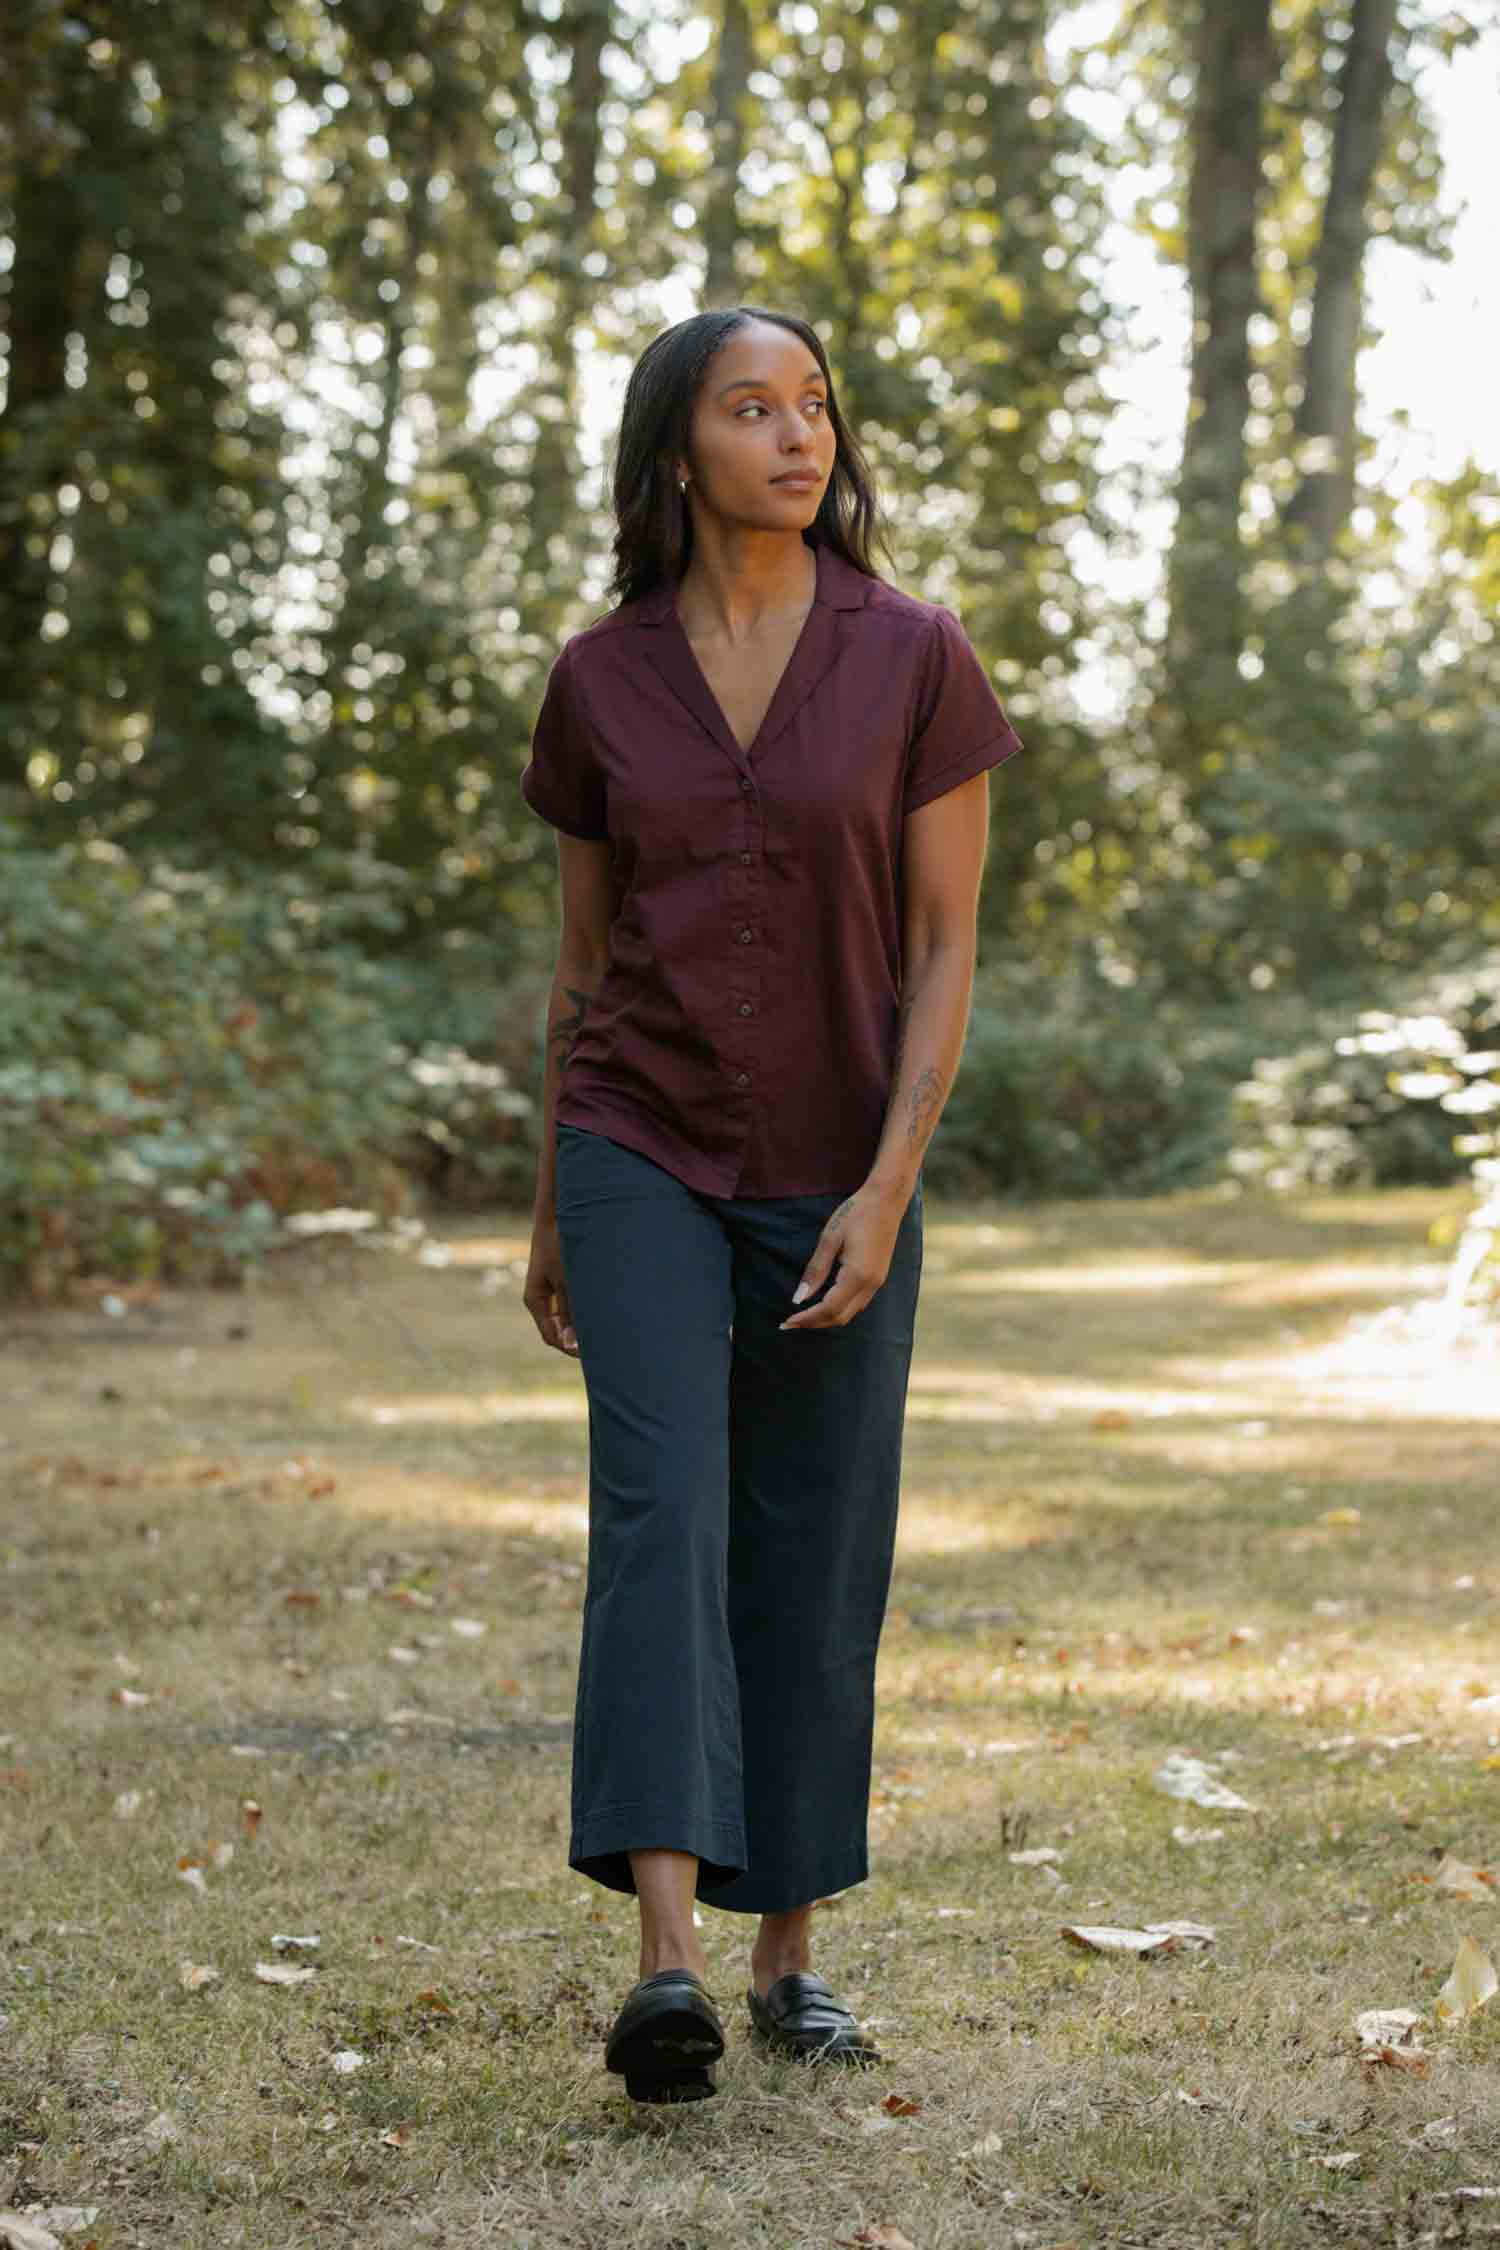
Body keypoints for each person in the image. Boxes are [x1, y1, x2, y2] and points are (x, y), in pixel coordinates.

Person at [518, 305, 1023, 2104]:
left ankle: (787, 1950)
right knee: (661, 1510)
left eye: (816, 404)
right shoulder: (600, 677)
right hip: (638, 1136)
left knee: (813, 1538)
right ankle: (666, 1964)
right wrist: (549, 1202)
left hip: (835, 1154)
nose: (799, 436)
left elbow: (951, 941)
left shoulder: (916, 657)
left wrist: (889, 1184)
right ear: (679, 451)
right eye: (753, 410)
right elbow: (582, 967)